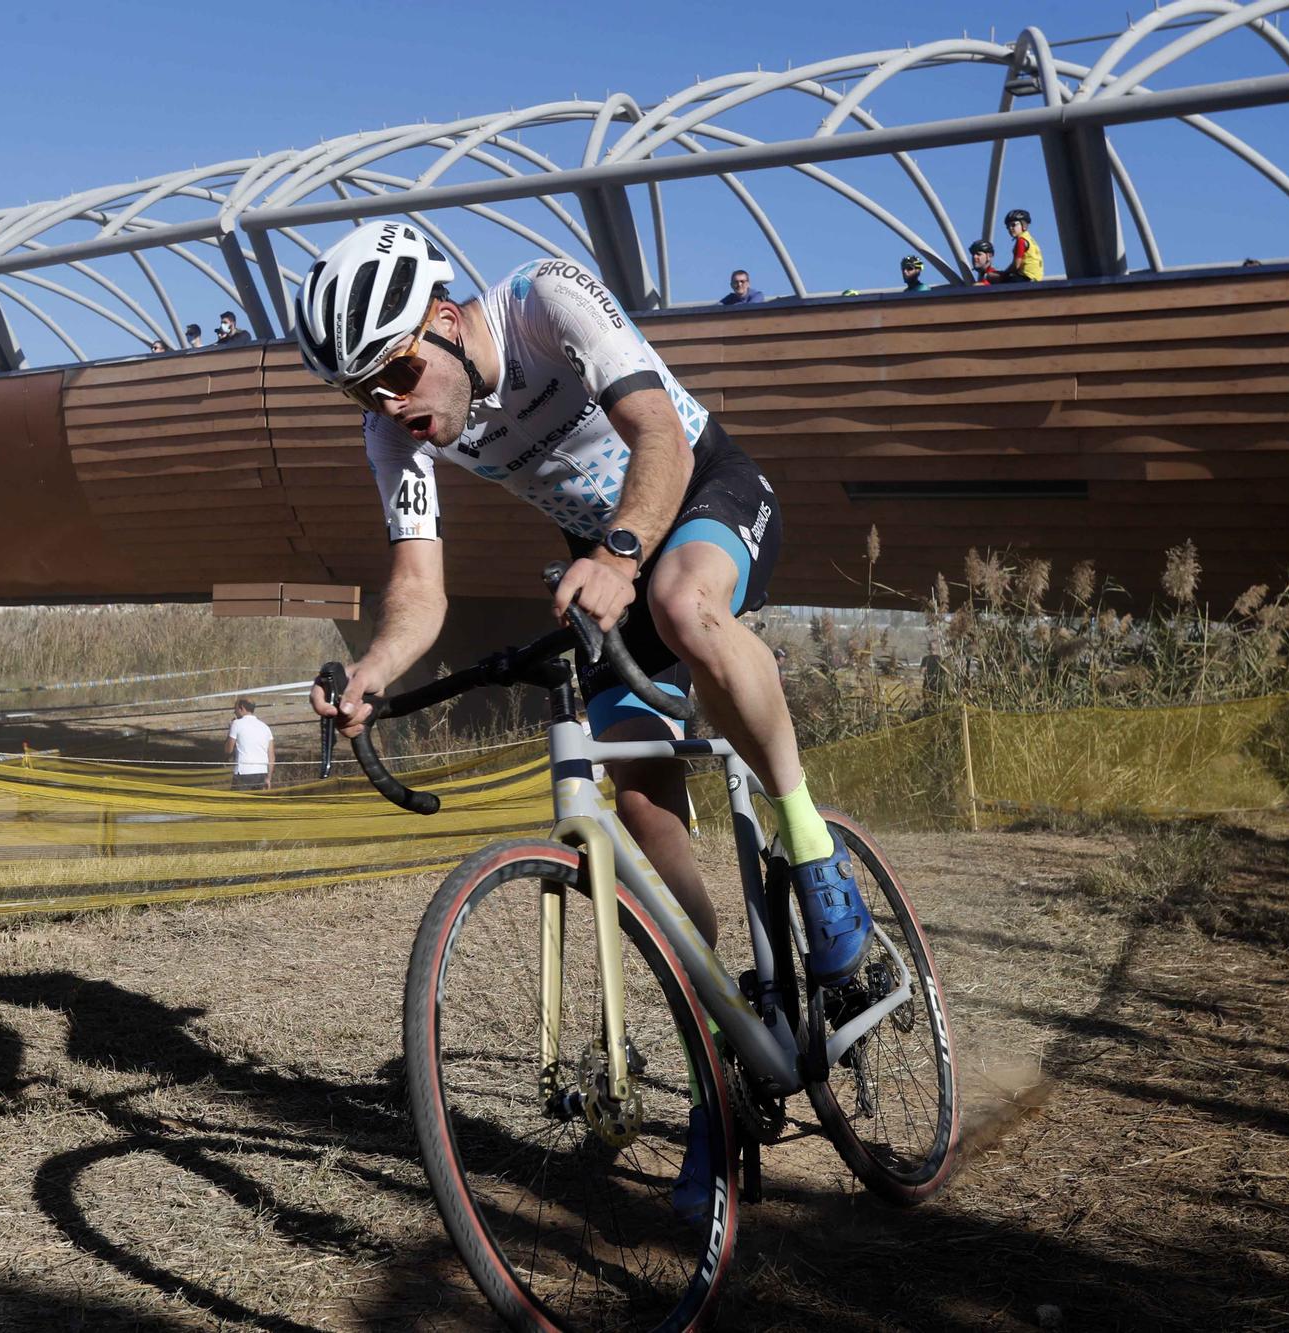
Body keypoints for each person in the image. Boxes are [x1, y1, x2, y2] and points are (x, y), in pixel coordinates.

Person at [295, 220, 878, 1220]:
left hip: (703, 494)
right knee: (643, 833)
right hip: (599, 562)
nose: (387, 404)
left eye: (393, 372)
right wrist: (373, 671)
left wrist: (615, 555)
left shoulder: (542, 299)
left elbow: (656, 433)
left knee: (682, 605)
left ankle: (811, 847)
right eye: (361, 391)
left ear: (442, 318)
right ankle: (718, 1076)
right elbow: (417, 591)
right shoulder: (390, 429)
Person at [226, 698, 274, 789]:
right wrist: (268, 778)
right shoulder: (265, 727)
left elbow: (228, 750)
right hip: (261, 772)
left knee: (238, 802)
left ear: (242, 708)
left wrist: (229, 731)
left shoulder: (236, 724)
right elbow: (271, 756)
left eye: (236, 709)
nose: (234, 712)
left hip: (243, 772)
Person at [1000, 209, 1045, 281]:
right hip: (1036, 278)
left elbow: (1016, 265)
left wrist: (1003, 273)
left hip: (1025, 278)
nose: (1010, 228)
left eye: (1013, 225)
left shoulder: (1021, 241)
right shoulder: (1030, 239)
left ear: (1024, 225)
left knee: (994, 278)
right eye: (1008, 227)